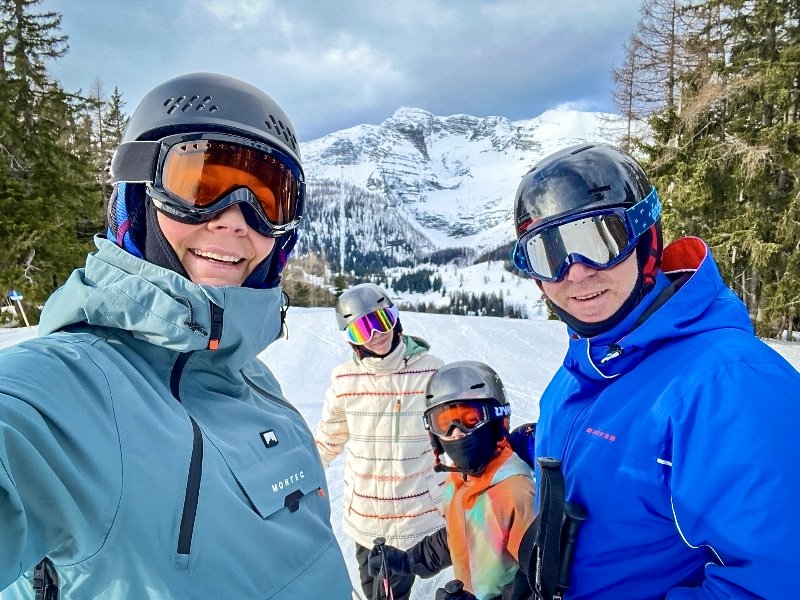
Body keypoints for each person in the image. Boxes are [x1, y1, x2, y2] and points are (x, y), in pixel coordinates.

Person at [0, 72, 351, 599]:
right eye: (199, 185)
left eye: (265, 198)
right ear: (137, 198)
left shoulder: (255, 380)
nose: (235, 220)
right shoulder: (58, 393)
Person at [511, 143, 800, 599]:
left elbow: (775, 583)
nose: (577, 272)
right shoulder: (584, 366)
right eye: (549, 254)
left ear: (646, 238)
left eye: (599, 240)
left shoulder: (731, 383)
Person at [314, 283, 448, 600]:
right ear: (350, 338)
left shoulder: (432, 371)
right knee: (375, 591)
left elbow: (452, 436)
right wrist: (307, 479)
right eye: (362, 329)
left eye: (381, 320)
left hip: (416, 512)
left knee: (397, 588)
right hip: (367, 518)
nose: (376, 334)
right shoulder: (345, 379)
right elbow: (327, 439)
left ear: (395, 318)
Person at [366, 361, 536, 600]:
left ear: (497, 420)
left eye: (469, 419)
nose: (456, 433)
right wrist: (407, 561)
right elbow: (459, 535)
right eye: (444, 423)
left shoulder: (514, 492)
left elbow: (538, 582)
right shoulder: (459, 477)